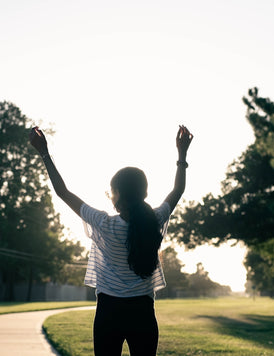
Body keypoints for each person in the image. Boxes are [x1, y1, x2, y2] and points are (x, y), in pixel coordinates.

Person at [29, 125, 193, 356]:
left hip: (109, 312)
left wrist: (44, 153)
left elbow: (63, 192)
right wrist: (182, 154)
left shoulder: (103, 223)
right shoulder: (154, 220)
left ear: (117, 195)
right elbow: (178, 189)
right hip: (143, 313)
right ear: (145, 193)